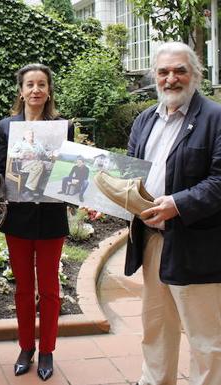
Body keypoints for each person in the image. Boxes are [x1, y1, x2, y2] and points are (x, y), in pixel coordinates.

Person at [126, 42, 221, 385]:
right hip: (152, 241)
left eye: (180, 70)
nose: (171, 79)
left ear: (195, 74)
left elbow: (219, 180)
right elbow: (130, 173)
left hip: (196, 245)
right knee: (156, 329)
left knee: (205, 338)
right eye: (163, 71)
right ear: (154, 76)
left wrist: (177, 204)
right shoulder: (145, 119)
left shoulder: (215, 118)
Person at [0, 63, 74, 381]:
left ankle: (47, 351)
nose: (36, 90)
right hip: (18, 217)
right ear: (21, 90)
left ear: (49, 90)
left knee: (50, 289)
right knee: (24, 289)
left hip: (52, 216)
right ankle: (26, 347)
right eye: (30, 84)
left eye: (42, 84)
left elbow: (69, 169)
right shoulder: (6, 127)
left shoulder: (62, 127)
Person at [9, 128, 47, 199]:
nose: (31, 135)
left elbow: (45, 153)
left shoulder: (38, 144)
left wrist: (53, 153)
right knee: (41, 164)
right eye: (29, 133)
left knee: (47, 165)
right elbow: (10, 153)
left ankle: (34, 188)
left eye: (32, 133)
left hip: (38, 163)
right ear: (24, 136)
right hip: (26, 164)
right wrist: (20, 155)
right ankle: (30, 189)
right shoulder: (20, 143)